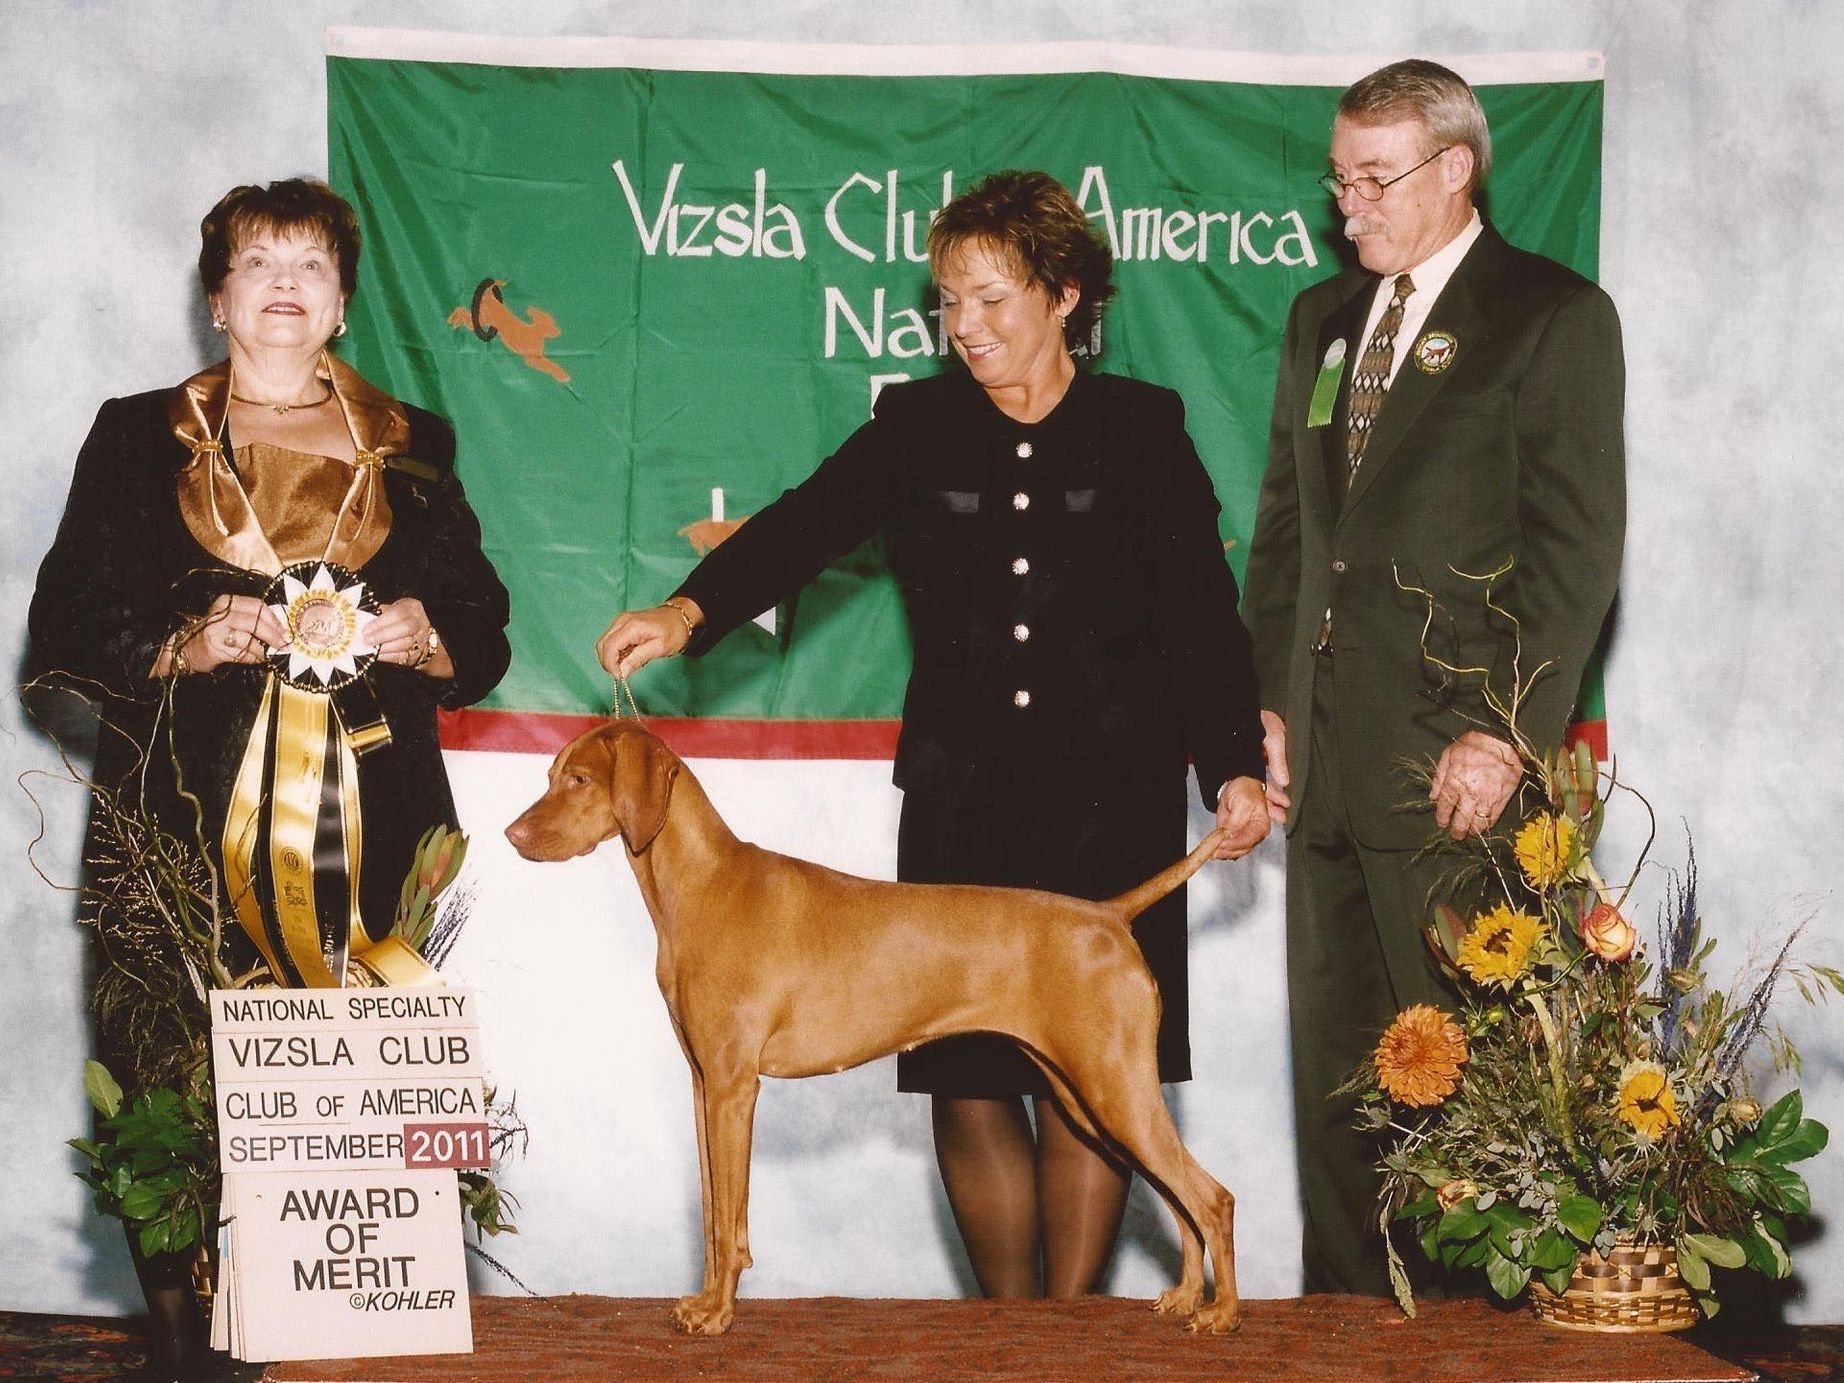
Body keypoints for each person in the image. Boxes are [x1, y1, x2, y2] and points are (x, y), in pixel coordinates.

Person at [597, 169, 1269, 1301]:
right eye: (949, 302)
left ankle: (1069, 1334)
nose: (965, 328)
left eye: (991, 300)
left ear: (1063, 296)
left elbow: (1203, 615)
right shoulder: (912, 425)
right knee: (965, 1085)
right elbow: (802, 525)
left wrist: (1234, 767)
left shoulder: (1142, 429)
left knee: (1085, 1089)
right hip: (967, 794)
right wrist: (688, 609)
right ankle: (1000, 1337)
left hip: (1114, 795)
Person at [29, 177, 510, 1378]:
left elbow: (482, 623)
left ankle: (343, 1345)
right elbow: (66, 620)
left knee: (350, 1089)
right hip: (178, 817)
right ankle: (195, 1351)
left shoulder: (415, 445)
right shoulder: (135, 435)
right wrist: (179, 644)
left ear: (343, 300)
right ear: (216, 297)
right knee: (167, 1067)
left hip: (376, 822)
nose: (286, 284)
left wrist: (420, 628)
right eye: (259, 262)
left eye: (311, 264)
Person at [1239, 60, 1625, 1295]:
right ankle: (1348, 1332)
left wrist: (1502, 730)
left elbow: (1573, 553)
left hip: (1458, 765)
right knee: (1343, 1088)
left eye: (1372, 178)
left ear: (1454, 169)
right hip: (1328, 763)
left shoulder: (1552, 317)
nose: (1346, 205)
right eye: (1336, 180)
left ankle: (1486, 1342)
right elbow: (1291, 532)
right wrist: (1263, 702)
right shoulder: (1319, 321)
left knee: (1478, 1091)